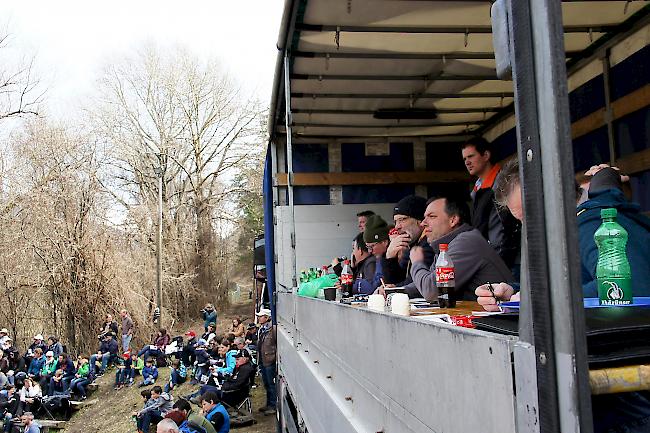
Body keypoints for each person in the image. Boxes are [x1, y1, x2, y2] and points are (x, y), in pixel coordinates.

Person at [409, 194, 513, 301]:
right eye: (424, 217)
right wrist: (397, 291)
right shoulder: (446, 244)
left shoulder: (467, 242)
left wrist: (417, 263)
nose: (423, 223)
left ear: (453, 220)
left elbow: (433, 291)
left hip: (499, 316)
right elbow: (426, 282)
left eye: (432, 216)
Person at [461, 138, 521, 270]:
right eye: (464, 159)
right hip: (491, 259)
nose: (467, 162)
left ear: (486, 155)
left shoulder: (504, 182)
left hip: (510, 261)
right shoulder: (476, 189)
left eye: (471, 156)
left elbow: (505, 227)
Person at [383, 195, 435, 291]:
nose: (397, 227)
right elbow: (396, 280)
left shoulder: (430, 244)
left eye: (402, 219)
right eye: (395, 221)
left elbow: (417, 283)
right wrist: (390, 257)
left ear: (420, 221)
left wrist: (395, 289)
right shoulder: (411, 245)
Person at [360, 215, 391, 294]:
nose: (370, 251)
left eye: (372, 246)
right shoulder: (379, 257)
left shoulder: (396, 256)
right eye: (368, 247)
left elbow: (375, 286)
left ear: (384, 242)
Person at [256, 308, 276, 416]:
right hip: (262, 361)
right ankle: (268, 404)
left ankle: (273, 405)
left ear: (267, 317)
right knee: (267, 384)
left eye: (261, 316)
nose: (259, 318)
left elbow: (277, 344)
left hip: (269, 361)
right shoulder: (261, 329)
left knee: (271, 384)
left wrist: (273, 357)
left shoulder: (272, 329)